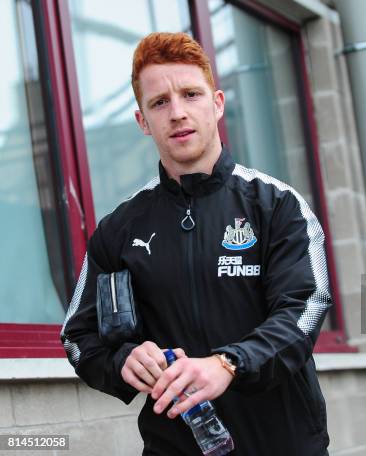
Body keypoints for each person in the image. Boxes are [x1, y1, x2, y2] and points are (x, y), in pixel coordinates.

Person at [61, 32, 331, 456]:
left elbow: (306, 307)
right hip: (175, 446)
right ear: (142, 121)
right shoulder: (118, 228)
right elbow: (78, 336)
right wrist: (123, 361)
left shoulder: (277, 205)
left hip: (283, 442)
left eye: (190, 94)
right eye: (160, 102)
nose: (178, 113)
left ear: (217, 103)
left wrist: (228, 363)